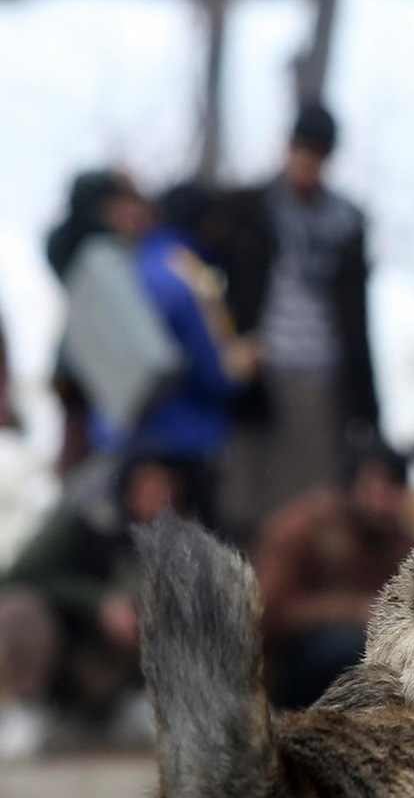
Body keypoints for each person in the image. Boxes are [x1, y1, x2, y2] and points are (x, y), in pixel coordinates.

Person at [213, 104, 379, 543]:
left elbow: (358, 318)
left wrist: (368, 406)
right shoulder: (248, 209)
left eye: (318, 153)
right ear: (288, 148)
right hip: (260, 377)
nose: (308, 161)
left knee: (314, 507)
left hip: (323, 378)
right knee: (248, 505)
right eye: (302, 149)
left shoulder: (346, 224)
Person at [0, 455, 187, 759]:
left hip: (120, 672)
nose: (157, 499)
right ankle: (24, 711)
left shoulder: (178, 544)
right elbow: (17, 577)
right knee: (19, 609)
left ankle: (144, 708)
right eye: (148, 486)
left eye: (166, 489)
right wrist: (96, 602)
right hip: (64, 656)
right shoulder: (84, 523)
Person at [90, 183, 250, 526]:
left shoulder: (127, 265)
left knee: (127, 554)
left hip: (120, 439)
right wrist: (243, 368)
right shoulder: (191, 275)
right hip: (183, 445)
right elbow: (216, 371)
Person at [254, 443, 414, 709]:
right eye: (375, 489)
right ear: (351, 488)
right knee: (348, 646)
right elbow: (267, 614)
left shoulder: (400, 539)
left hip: (366, 661)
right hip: (291, 671)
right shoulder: (301, 529)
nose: (384, 502)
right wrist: (351, 610)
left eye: (393, 489)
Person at [44, 170, 156, 474]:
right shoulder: (94, 247)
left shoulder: (83, 243)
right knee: (85, 459)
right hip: (86, 368)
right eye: (118, 202)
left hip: (85, 365)